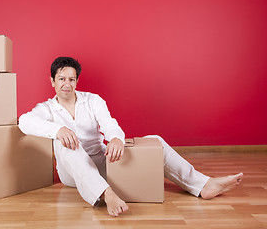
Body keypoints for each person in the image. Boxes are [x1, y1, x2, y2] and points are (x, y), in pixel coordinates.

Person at [18, 57, 243, 217]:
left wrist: (115, 138)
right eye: (61, 79)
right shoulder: (45, 108)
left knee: (155, 140)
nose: (67, 84)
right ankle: (107, 195)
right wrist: (58, 130)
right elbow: (24, 121)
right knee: (65, 144)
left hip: (101, 161)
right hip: (72, 173)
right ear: (52, 81)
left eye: (72, 79)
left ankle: (203, 185)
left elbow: (109, 124)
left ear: (77, 81)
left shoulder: (93, 100)